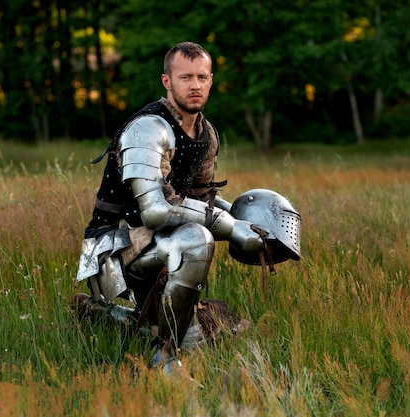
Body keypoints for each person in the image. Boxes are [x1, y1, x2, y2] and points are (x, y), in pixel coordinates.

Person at [73, 42, 266, 371]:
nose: (195, 85)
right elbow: (155, 211)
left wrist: (251, 221)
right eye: (185, 77)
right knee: (196, 238)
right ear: (167, 81)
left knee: (204, 333)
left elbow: (201, 199)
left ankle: (112, 317)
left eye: (202, 77)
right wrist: (232, 228)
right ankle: (164, 360)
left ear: (211, 80)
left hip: (160, 240)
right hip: (118, 243)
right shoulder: (149, 129)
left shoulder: (206, 134)